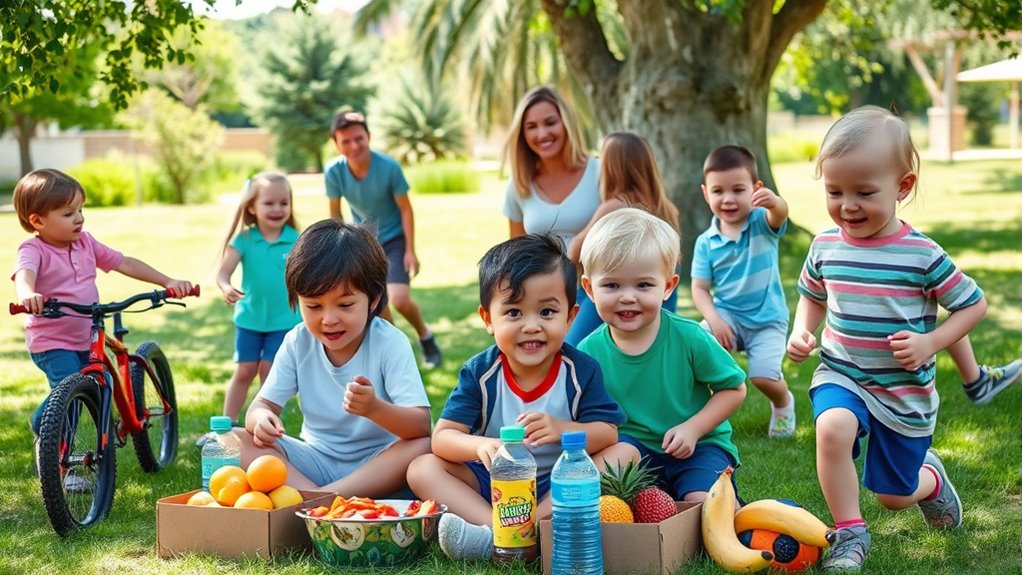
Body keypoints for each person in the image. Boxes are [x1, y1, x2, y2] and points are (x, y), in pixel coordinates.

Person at [786, 106, 989, 572]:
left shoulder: (921, 254)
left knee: (893, 495)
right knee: (832, 427)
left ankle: (930, 482)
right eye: (834, 191)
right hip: (843, 371)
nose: (847, 205)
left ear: (903, 187)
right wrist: (803, 330)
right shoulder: (825, 245)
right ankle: (850, 534)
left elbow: (973, 304)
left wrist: (931, 342)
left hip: (902, 390)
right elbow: (812, 295)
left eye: (864, 192)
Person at [408, 233, 636, 561]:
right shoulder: (481, 372)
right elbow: (442, 438)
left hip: (558, 483)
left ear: (570, 317)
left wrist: (562, 429)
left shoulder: (580, 369)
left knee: (624, 452)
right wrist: (480, 445)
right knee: (421, 468)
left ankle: (532, 529)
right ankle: (499, 534)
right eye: (514, 313)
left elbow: (607, 433)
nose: (532, 326)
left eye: (546, 312)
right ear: (488, 319)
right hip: (494, 484)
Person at [12, 169, 193, 478]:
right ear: (37, 221)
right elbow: (25, 274)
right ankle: (58, 463)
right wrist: (28, 294)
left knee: (103, 390)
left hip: (87, 336)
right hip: (53, 342)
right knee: (69, 399)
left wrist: (167, 280)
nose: (79, 218)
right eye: (68, 213)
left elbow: (123, 262)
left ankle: (115, 428)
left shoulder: (85, 243)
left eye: (81, 209)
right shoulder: (34, 249)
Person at [233, 220, 431, 497]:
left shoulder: (389, 342)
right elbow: (262, 404)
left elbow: (420, 425)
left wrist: (374, 408)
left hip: (378, 464)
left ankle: (315, 500)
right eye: (313, 306)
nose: (328, 319)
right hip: (315, 459)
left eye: (345, 305)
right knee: (233, 439)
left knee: (422, 446)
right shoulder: (298, 341)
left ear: (373, 299)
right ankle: (318, 499)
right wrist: (261, 419)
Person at [578, 208, 748, 504]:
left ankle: (726, 506)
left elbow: (733, 389)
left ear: (668, 286)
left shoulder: (689, 336)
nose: (627, 297)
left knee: (701, 504)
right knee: (595, 478)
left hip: (697, 445)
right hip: (633, 449)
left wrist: (693, 428)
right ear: (589, 289)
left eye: (643, 285)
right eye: (612, 285)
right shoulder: (588, 352)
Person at [689, 145, 796, 438]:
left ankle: (783, 402)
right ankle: (705, 412)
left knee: (763, 376)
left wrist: (775, 203)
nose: (728, 199)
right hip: (729, 317)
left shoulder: (762, 223)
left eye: (738, 190)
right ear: (705, 193)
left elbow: (780, 215)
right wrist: (714, 318)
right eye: (718, 191)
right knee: (700, 342)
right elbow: (699, 288)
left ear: (755, 189)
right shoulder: (706, 243)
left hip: (767, 320)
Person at [325, 110, 442, 369]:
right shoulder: (334, 172)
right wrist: (338, 247)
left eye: (359, 138)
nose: (354, 146)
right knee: (377, 304)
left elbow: (406, 209)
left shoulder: (388, 167)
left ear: (368, 136)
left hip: (394, 240)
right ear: (336, 144)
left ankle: (426, 336)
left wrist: (410, 250)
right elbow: (335, 213)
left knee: (399, 299)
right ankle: (395, 356)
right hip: (364, 243)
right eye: (346, 141)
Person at [501, 85, 601, 347]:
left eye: (550, 122)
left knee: (570, 348)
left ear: (566, 123)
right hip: (545, 296)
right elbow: (516, 253)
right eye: (531, 126)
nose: (542, 133)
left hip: (598, 288)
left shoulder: (599, 171)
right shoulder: (519, 184)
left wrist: (581, 239)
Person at [565, 132, 682, 337]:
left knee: (573, 347)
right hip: (656, 296)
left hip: (615, 290)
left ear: (612, 167)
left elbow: (575, 249)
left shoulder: (614, 206)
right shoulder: (667, 210)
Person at [211, 172, 302, 430]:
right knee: (245, 371)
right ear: (252, 206)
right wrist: (226, 286)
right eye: (269, 203)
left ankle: (264, 426)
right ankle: (226, 425)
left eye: (284, 203)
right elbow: (223, 273)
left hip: (284, 321)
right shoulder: (245, 239)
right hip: (250, 320)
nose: (277, 209)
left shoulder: (296, 239)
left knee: (269, 372)